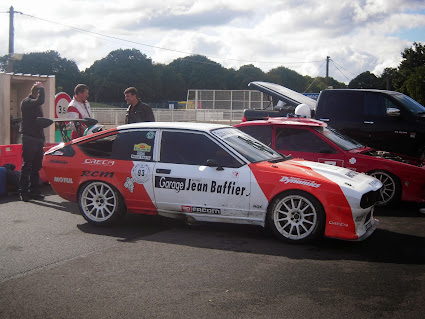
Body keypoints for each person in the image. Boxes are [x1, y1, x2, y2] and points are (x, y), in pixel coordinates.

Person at [19, 81, 45, 202]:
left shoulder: (35, 104)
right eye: (39, 93)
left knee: (36, 167)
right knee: (27, 166)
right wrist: (41, 89)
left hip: (38, 138)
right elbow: (40, 101)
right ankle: (24, 192)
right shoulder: (27, 102)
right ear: (36, 93)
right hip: (29, 138)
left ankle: (34, 191)